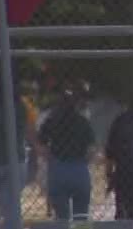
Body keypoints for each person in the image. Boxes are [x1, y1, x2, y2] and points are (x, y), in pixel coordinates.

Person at [39, 84, 98, 220]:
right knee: (81, 214)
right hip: (79, 168)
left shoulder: (52, 121)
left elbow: (40, 144)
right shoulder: (83, 122)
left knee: (61, 217)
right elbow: (91, 149)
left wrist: (50, 158)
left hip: (58, 168)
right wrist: (84, 161)